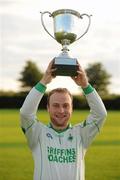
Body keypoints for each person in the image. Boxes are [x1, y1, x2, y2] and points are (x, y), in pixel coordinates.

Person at [20, 60, 107, 180]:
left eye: (66, 105)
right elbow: (25, 113)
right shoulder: (37, 132)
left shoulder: (81, 133)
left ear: (72, 109)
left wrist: (85, 85)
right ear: (48, 108)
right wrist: (44, 81)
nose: (61, 111)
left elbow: (100, 114)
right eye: (56, 105)